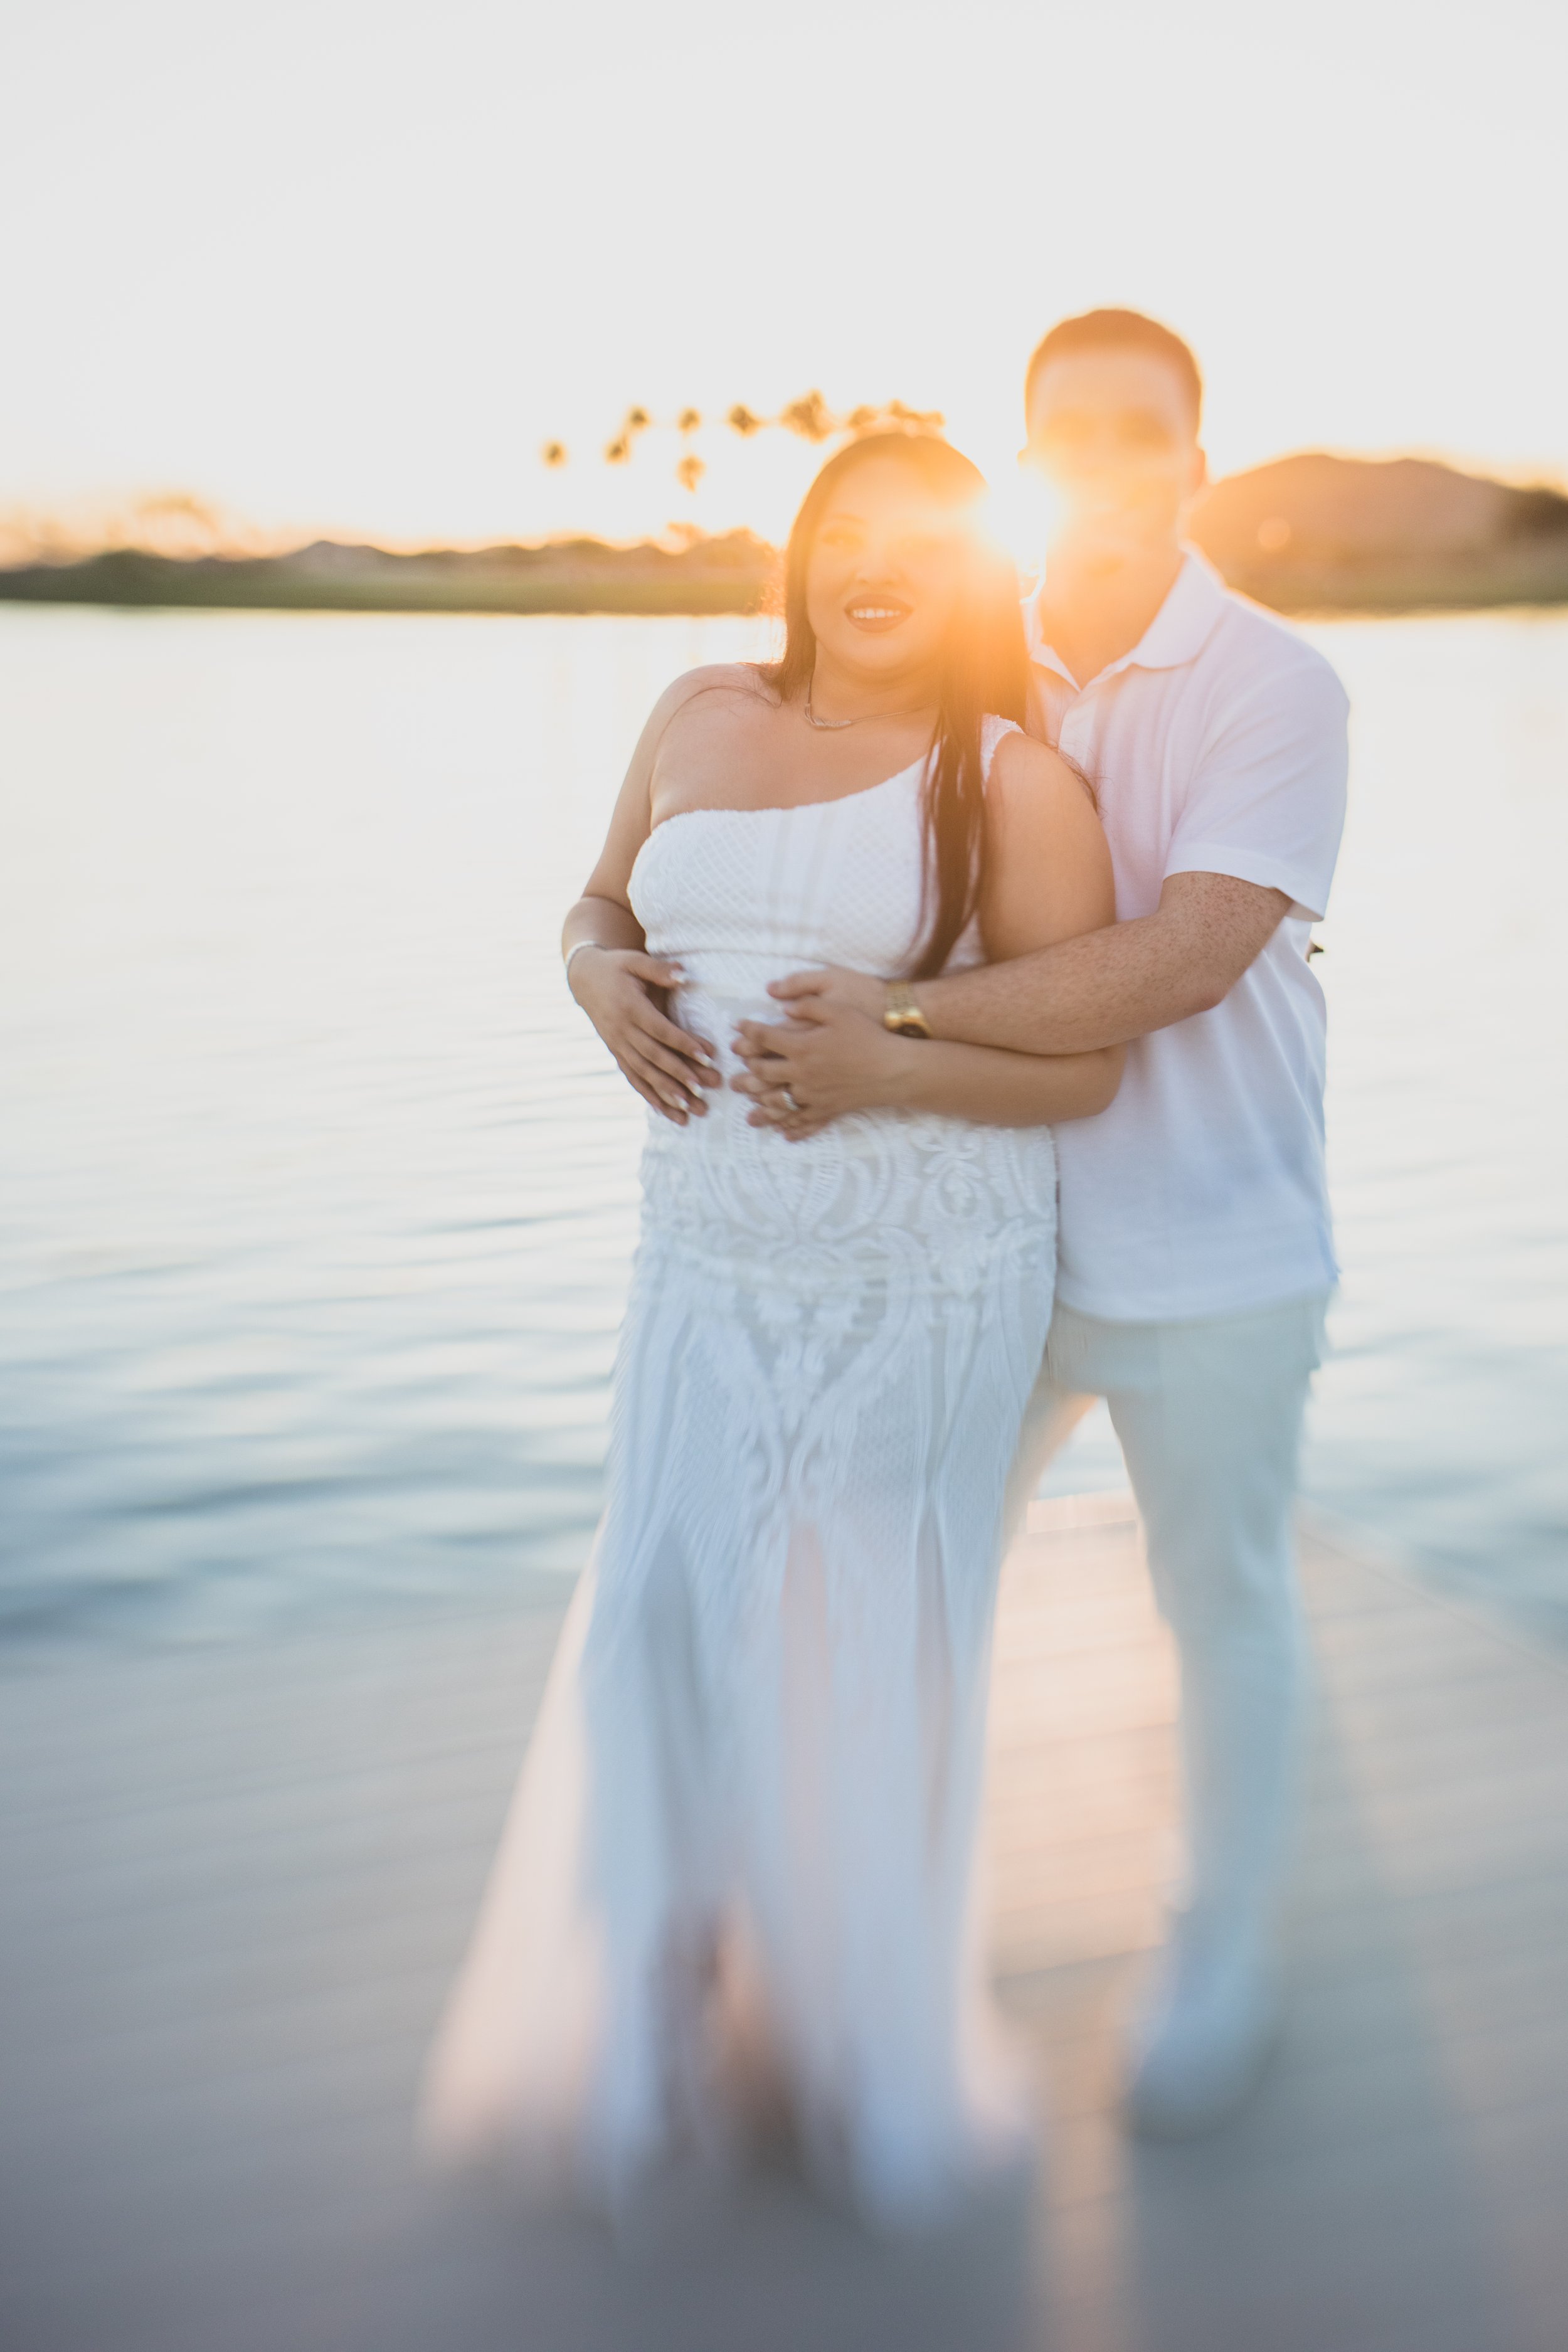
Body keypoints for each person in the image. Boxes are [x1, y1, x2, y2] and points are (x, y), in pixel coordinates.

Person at [420, 432, 1120, 2225]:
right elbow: (595, 904)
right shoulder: (695, 707)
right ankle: (661, 2000)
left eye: (915, 544)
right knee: (669, 1610)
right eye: (840, 535)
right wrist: (590, 978)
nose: (869, 565)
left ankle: (851, 2027)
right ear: (799, 555)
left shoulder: (1013, 782)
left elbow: (1086, 1059)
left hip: (921, 1278)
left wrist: (884, 1039)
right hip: (702, 1263)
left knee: (844, 1636)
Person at [730, 310, 1350, 2137]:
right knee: (908, 1586)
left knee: (1215, 1599)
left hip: (1218, 1244)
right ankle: (870, 1937)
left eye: (1131, 433)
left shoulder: (1272, 683)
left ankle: (1219, 1948)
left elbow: (1190, 952)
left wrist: (895, 1033)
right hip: (978, 1237)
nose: (1095, 462)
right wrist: (611, 954)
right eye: (1058, 434)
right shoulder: (970, 655)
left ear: (1191, 465)